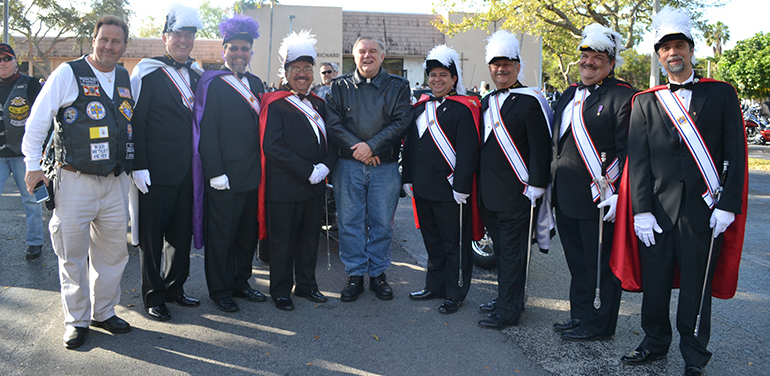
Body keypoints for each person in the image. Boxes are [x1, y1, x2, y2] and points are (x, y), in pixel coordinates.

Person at [611, 7, 747, 376]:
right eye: (666, 48)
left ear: (691, 49)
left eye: (679, 46)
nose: (673, 53)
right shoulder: (645, 101)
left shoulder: (720, 95)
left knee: (696, 288)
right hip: (657, 211)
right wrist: (640, 211)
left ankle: (694, 353)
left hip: (704, 211)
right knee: (655, 285)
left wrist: (728, 205)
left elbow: (735, 152)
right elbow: (637, 161)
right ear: (658, 55)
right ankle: (654, 342)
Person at [22, 15, 134, 349]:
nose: (109, 46)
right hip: (75, 180)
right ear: (93, 40)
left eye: (116, 41)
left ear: (124, 46)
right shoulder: (68, 73)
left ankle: (103, 311)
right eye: (104, 39)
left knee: (113, 254)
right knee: (72, 254)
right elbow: (38, 119)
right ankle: (77, 319)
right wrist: (31, 166)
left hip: (115, 182)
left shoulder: (125, 76)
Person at [551, 24, 636, 341]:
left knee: (599, 265)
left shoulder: (623, 96)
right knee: (577, 264)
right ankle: (581, 315)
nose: (589, 62)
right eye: (585, 56)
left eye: (597, 57)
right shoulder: (570, 93)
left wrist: (617, 192)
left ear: (611, 63)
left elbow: (628, 149)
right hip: (566, 196)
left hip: (599, 197)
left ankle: (599, 325)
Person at [129, 3, 203, 322]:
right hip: (155, 170)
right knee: (152, 238)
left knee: (180, 236)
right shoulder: (148, 71)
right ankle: (153, 295)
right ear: (164, 38)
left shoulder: (198, 76)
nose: (184, 40)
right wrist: (138, 164)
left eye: (189, 35)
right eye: (177, 34)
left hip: (190, 171)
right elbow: (137, 122)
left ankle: (175, 287)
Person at [326, 36, 412, 302]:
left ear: (382, 56)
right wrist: (360, 149)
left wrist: (371, 147)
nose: (367, 56)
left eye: (373, 51)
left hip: (384, 167)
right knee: (349, 223)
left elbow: (402, 121)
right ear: (354, 56)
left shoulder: (398, 86)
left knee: (381, 224)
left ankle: (377, 274)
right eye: (362, 51)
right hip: (349, 165)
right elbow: (333, 123)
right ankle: (354, 275)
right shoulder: (339, 86)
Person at [476, 30, 552, 330]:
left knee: (511, 255)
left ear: (518, 67)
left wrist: (537, 184)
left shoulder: (531, 101)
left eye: (508, 63)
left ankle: (508, 311)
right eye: (496, 64)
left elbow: (540, 148)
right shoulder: (486, 102)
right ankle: (509, 298)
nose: (501, 69)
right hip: (489, 195)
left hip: (518, 194)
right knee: (503, 254)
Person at [194, 14, 266, 313]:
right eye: (233, 48)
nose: (239, 54)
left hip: (253, 173)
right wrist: (215, 172)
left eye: (244, 49)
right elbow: (206, 130)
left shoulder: (257, 82)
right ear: (223, 50)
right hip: (224, 174)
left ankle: (241, 281)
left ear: (251, 52)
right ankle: (220, 289)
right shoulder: (212, 82)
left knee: (245, 234)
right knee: (221, 235)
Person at [260, 30, 336, 311]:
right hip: (284, 187)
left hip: (314, 187)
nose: (302, 74)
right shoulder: (276, 103)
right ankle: (280, 290)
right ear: (286, 72)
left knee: (308, 240)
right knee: (283, 242)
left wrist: (326, 165)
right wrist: (307, 171)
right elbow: (273, 147)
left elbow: (332, 140)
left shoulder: (319, 104)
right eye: (296, 69)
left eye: (306, 68)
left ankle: (307, 285)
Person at [402, 45, 479, 314]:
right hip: (423, 188)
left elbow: (468, 153)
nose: (437, 79)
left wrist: (461, 186)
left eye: (443, 75)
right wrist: (407, 179)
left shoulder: (463, 109)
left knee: (453, 245)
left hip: (450, 191)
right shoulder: (420, 107)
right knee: (432, 242)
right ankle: (434, 286)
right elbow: (410, 147)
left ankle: (455, 292)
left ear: (454, 79)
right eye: (433, 75)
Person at [0, 43, 44, 260]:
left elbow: (44, 117)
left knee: (31, 199)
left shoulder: (31, 84)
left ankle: (35, 242)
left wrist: (42, 150)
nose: (2, 63)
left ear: (15, 61)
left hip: (24, 156)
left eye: (6, 58)